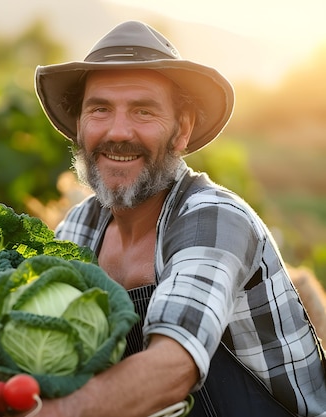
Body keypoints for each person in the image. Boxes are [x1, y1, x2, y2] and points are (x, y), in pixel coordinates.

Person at [30, 20, 326, 417]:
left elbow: (174, 366)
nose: (118, 131)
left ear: (181, 130)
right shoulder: (78, 227)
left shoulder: (215, 216)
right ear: (81, 127)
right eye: (100, 109)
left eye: (143, 111)